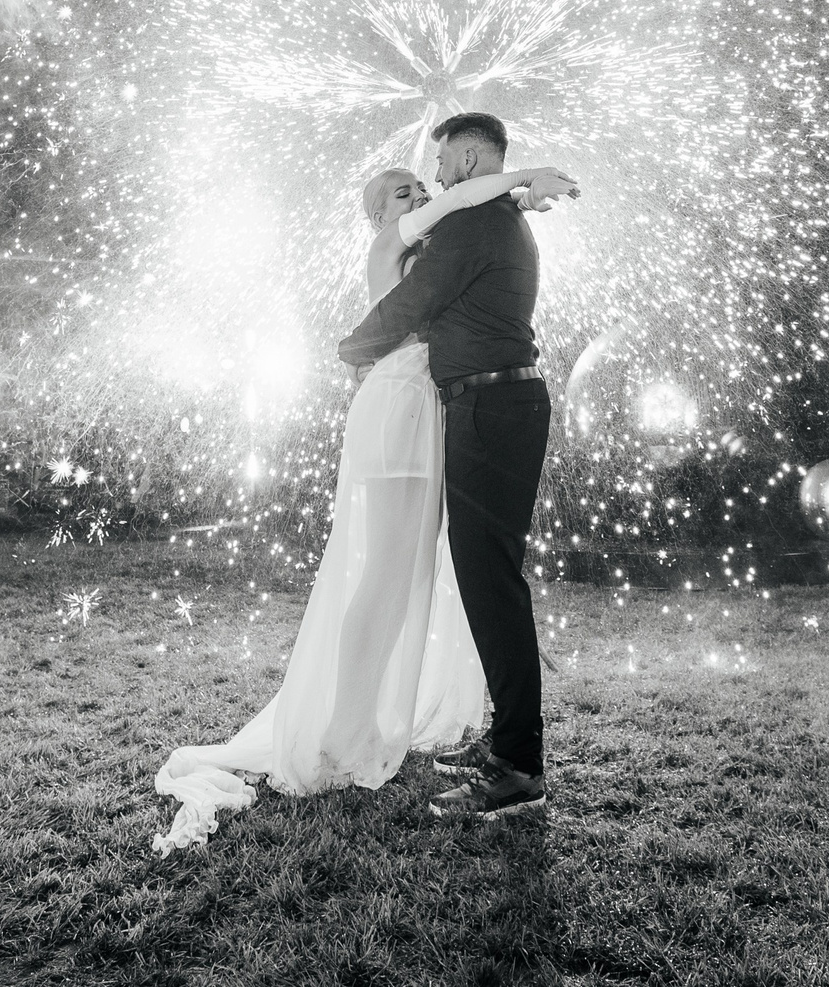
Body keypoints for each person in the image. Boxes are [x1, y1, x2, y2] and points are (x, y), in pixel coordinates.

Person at [149, 143, 578, 852]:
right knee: (384, 575)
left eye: (421, 184)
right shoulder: (395, 238)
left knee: (402, 575)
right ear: (379, 213)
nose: (421, 192)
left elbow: (468, 220)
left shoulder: (444, 235)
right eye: (404, 190)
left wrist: (521, 199)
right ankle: (345, 727)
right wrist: (524, 179)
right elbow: (458, 206)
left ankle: (366, 719)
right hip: (400, 412)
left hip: (421, 410)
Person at [338, 111, 554, 821]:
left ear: (465, 159)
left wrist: (350, 349)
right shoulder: (495, 217)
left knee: (491, 580)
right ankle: (508, 742)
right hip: (491, 404)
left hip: (491, 408)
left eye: (437, 166)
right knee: (485, 575)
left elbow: (414, 301)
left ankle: (518, 764)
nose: (431, 180)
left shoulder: (471, 222)